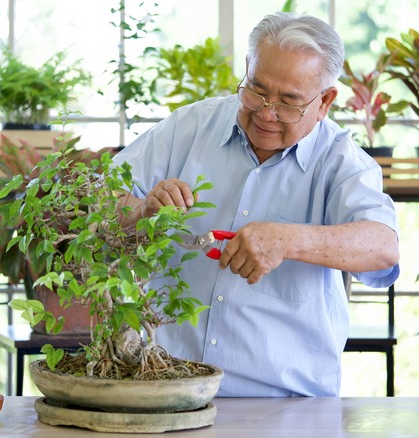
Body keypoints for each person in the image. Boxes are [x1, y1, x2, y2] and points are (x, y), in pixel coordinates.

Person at [113, 12, 399, 397]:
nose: (266, 112)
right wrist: (142, 210)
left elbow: (382, 248)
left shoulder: (341, 160)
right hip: (166, 389)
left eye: (289, 102)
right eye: (257, 91)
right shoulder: (188, 127)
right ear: (247, 68)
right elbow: (95, 199)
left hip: (287, 405)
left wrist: (290, 241)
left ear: (325, 100)